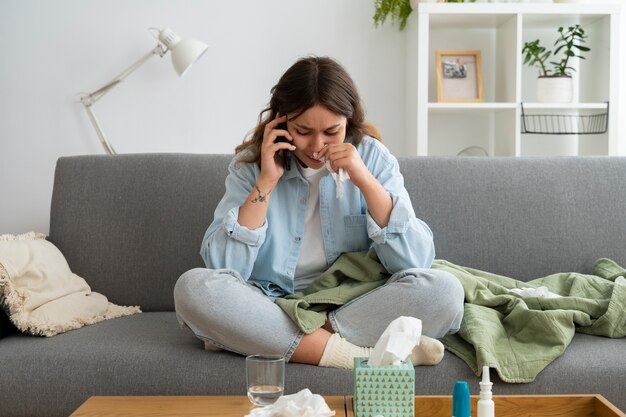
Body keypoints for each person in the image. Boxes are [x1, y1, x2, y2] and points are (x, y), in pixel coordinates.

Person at [174, 56, 464, 369]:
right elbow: (224, 267)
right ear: (282, 122)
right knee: (193, 288)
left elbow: (413, 261)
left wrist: (363, 179)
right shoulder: (252, 165)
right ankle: (357, 357)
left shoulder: (373, 157)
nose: (316, 146)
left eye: (331, 131)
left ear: (348, 122)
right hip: (270, 302)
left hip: (351, 303)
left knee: (445, 291)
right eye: (303, 131)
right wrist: (267, 180)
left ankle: (262, 338)